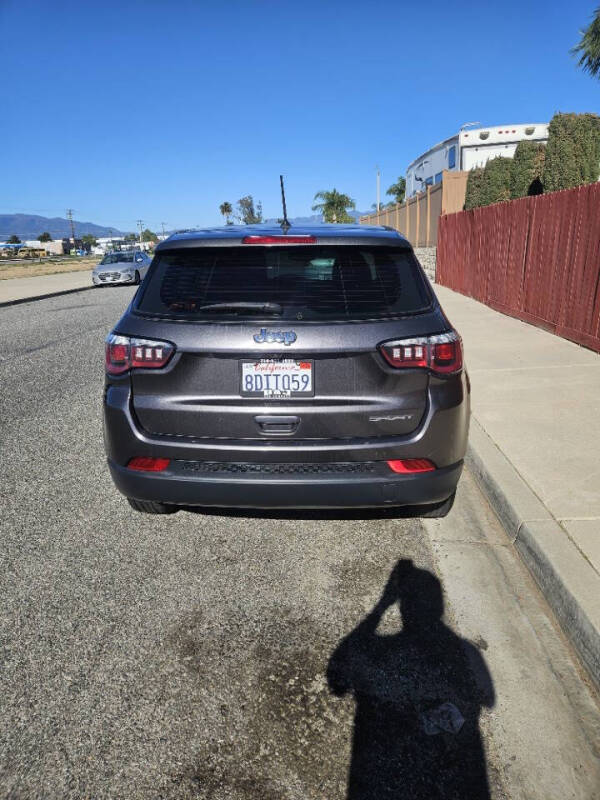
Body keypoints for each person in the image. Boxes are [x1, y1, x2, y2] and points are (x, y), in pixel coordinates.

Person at [327, 559, 495, 799]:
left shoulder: (457, 651)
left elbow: (338, 678)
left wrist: (382, 606)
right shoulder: (465, 651)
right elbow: (487, 699)